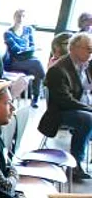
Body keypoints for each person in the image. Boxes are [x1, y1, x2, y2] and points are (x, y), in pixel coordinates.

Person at [38, 32, 92, 178]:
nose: (91, 52)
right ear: (74, 48)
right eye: (88, 48)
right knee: (88, 119)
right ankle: (76, 164)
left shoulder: (85, 65)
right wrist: (89, 108)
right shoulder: (58, 69)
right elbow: (65, 101)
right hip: (60, 112)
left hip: (81, 107)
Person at [3, 9, 46, 107]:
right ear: (14, 17)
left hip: (27, 59)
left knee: (36, 70)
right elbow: (15, 50)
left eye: (23, 16)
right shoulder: (8, 33)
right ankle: (46, 84)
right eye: (18, 16)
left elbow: (32, 45)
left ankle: (35, 98)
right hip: (14, 62)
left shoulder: (28, 29)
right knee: (37, 63)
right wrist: (27, 49)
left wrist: (27, 49)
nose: (20, 18)